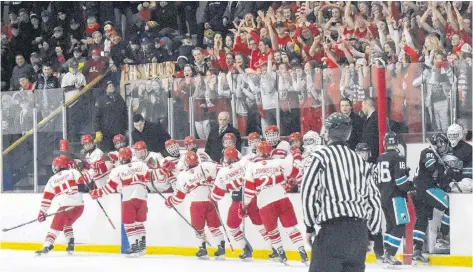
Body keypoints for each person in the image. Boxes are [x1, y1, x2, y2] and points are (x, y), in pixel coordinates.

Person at [301, 112, 382, 272]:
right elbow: (374, 199)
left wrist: (309, 226)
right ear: (349, 133)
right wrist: (372, 234)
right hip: (359, 233)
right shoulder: (360, 161)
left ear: (327, 132)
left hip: (332, 232)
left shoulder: (320, 156)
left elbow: (309, 192)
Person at [243, 141, 308, 265]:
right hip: (282, 198)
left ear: (258, 152)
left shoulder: (251, 166)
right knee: (290, 227)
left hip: (264, 202)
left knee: (272, 231)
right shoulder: (280, 162)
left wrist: (245, 205)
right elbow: (297, 174)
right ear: (270, 151)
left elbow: (249, 190)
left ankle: (281, 253)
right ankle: (302, 250)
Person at [210, 147, 274, 260]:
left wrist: (211, 195)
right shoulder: (245, 162)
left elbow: (217, 195)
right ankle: (275, 248)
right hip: (253, 198)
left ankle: (245, 249)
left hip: (237, 201)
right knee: (260, 226)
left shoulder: (223, 171)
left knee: (232, 227)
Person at [90, 147, 150, 257]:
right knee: (139, 222)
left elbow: (110, 187)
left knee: (128, 223)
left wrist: (98, 193)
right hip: (142, 197)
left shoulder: (117, 170)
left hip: (128, 197)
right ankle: (142, 247)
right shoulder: (141, 165)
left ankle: (134, 245)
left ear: (120, 158)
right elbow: (147, 178)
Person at [164, 152, 225, 260]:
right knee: (213, 227)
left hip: (198, 204)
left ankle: (203, 248)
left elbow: (179, 196)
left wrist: (170, 201)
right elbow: (223, 171)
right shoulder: (207, 166)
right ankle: (220, 248)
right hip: (211, 200)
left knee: (198, 228)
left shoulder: (183, 175)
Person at [412, 133, 458, 263]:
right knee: (450, 205)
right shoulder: (428, 151)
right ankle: (442, 236)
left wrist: (448, 175)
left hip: (421, 190)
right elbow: (431, 166)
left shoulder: (437, 157)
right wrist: (443, 169)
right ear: (437, 142)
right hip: (425, 189)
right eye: (442, 143)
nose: (443, 146)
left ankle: (417, 250)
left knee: (421, 220)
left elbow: (440, 180)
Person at [35, 155, 90, 255]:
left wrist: (42, 212)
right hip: (79, 207)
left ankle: (47, 245)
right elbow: (83, 186)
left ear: (56, 166)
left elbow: (47, 198)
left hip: (65, 208)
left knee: (54, 227)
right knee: (66, 224)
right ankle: (70, 243)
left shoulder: (52, 179)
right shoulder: (74, 171)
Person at [376, 132, 412, 266]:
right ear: (396, 143)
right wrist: (410, 186)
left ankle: (386, 253)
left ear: (385, 143)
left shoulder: (380, 158)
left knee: (391, 225)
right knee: (400, 225)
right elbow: (400, 181)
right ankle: (390, 254)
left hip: (383, 196)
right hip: (395, 196)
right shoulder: (399, 157)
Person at [355, 142, 384, 262]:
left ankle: (379, 253)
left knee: (376, 224)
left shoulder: (373, 167)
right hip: (358, 201)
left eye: (365, 152)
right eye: (361, 152)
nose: (363, 155)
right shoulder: (352, 168)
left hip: (372, 199)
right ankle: (358, 253)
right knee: (359, 226)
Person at [94, 81, 127, 152]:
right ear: (106, 88)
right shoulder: (101, 100)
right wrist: (97, 130)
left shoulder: (119, 98)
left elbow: (125, 113)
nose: (112, 87)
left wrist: (125, 128)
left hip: (118, 132)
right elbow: (97, 117)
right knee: (108, 153)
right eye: (109, 86)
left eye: (112, 86)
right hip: (106, 134)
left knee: (120, 153)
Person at [361, 97, 379, 163]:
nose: (362, 108)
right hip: (369, 155)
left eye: (362, 106)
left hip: (374, 157)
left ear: (366, 105)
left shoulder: (376, 119)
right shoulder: (367, 119)